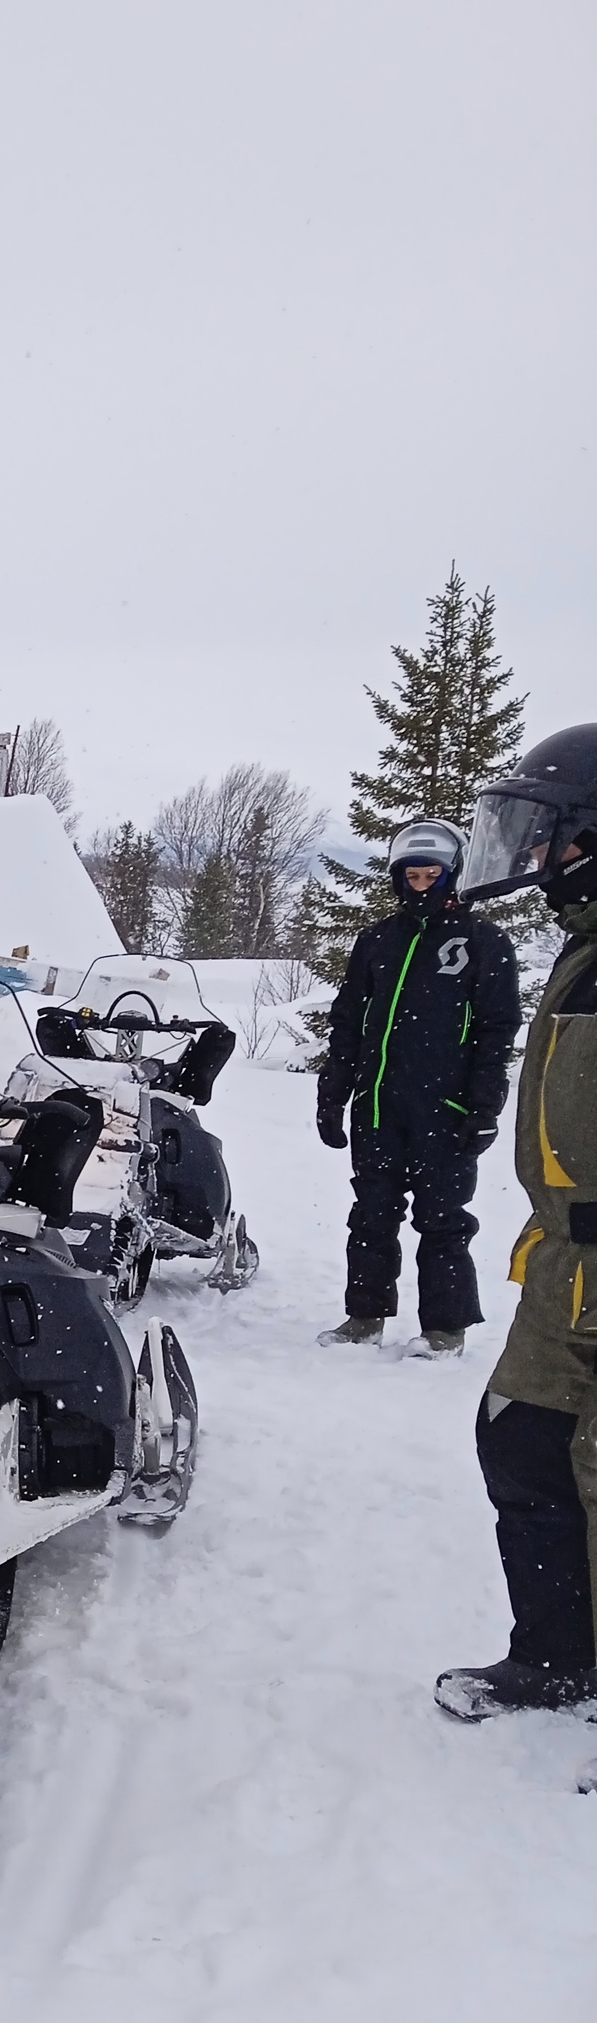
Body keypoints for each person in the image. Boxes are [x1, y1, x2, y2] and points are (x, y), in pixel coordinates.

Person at [433, 726, 597, 1718]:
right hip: (565, 1262)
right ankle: (554, 1654)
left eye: (548, 836)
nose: (533, 859)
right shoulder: (582, 954)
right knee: (523, 1443)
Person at [314, 817, 519, 1356]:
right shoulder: (378, 939)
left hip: (445, 1109)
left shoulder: (484, 943)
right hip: (379, 1105)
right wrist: (333, 1094)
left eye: (431, 875)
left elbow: (498, 1030)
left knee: (443, 1221)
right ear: (397, 879)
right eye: (412, 877)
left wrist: (484, 1105)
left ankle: (444, 1330)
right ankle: (364, 1317)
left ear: (452, 876)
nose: (421, 886)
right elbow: (348, 1020)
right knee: (371, 1214)